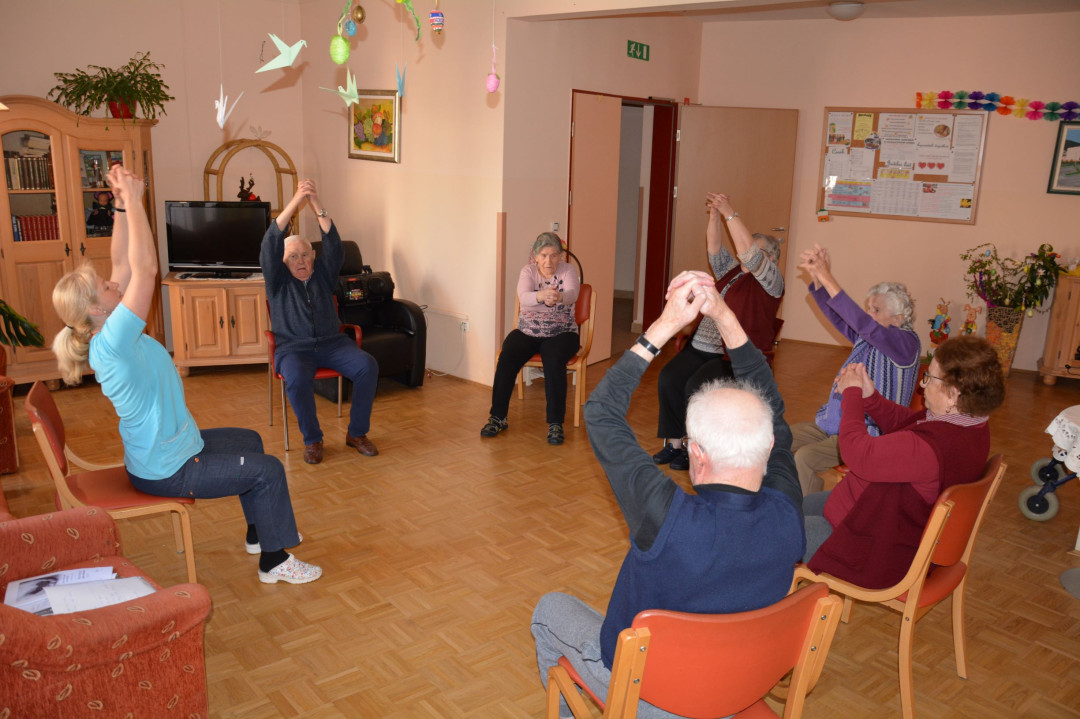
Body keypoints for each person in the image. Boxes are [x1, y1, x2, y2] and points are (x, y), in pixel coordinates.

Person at [531, 270, 804, 718]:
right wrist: (723, 314)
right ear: (771, 445)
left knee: (549, 610)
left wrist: (664, 324)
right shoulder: (787, 511)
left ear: (695, 453)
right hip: (739, 684)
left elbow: (600, 413)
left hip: (652, 696)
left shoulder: (667, 517)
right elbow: (772, 406)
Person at [51, 164, 319, 585]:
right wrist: (138, 203)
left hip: (169, 450)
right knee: (268, 469)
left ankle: (260, 531)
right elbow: (145, 271)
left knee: (249, 440)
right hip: (169, 468)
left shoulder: (108, 326)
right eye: (103, 284)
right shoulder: (115, 340)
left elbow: (122, 261)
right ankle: (275, 560)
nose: (111, 280)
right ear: (95, 310)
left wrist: (121, 203)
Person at [802, 336, 1004, 588]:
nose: (922, 385)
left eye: (929, 378)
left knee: (771, 532)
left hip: (863, 546)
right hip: (869, 516)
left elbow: (857, 454)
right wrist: (870, 396)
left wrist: (852, 394)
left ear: (953, 394)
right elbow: (908, 422)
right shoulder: (970, 425)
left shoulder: (931, 448)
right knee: (796, 506)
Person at [653, 192, 784, 471]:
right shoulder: (734, 271)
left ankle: (693, 447)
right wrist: (714, 216)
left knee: (693, 388)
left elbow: (749, 253)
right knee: (668, 378)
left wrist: (729, 212)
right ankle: (674, 444)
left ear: (771, 258)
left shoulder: (771, 282)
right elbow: (714, 248)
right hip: (700, 346)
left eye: (755, 250)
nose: (744, 254)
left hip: (730, 356)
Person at [262, 179, 380, 465]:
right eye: (292, 257)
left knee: (367, 366)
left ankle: (357, 433)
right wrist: (295, 201)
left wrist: (314, 201)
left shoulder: (324, 276)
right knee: (297, 378)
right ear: (283, 261)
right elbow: (270, 241)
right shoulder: (277, 282)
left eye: (305, 255)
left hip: (332, 343)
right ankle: (313, 440)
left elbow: (334, 244)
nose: (300, 261)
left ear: (313, 257)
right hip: (293, 348)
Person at [790, 243, 921, 495]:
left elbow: (864, 325)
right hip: (834, 422)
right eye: (868, 308)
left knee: (806, 457)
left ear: (898, 318)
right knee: (777, 437)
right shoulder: (869, 336)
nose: (869, 314)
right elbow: (841, 317)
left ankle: (810, 514)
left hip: (868, 434)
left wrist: (828, 276)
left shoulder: (906, 343)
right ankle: (774, 499)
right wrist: (818, 278)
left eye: (876, 310)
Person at [481, 232, 580, 445]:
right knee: (507, 355)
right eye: (544, 255)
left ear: (560, 256)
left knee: (553, 358)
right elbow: (524, 298)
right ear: (535, 256)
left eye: (554, 255)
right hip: (529, 331)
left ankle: (555, 423)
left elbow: (573, 293)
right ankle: (498, 417)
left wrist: (559, 296)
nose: (548, 261)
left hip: (562, 332)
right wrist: (541, 296)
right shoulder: (527, 272)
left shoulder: (568, 270)